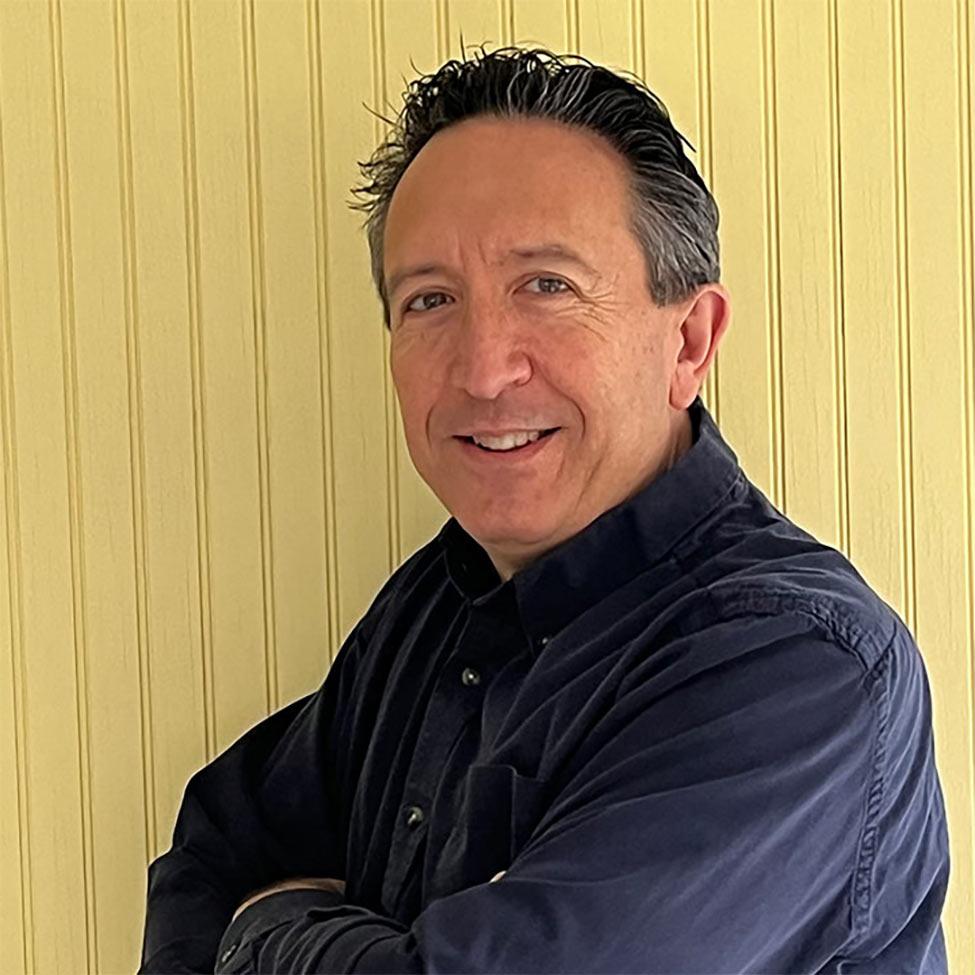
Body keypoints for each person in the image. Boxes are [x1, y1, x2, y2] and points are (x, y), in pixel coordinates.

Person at [138, 44, 950, 974]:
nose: (484, 369)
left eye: (547, 286)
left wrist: (264, 932)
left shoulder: (794, 666)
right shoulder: (431, 605)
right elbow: (211, 848)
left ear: (688, 340)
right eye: (430, 299)